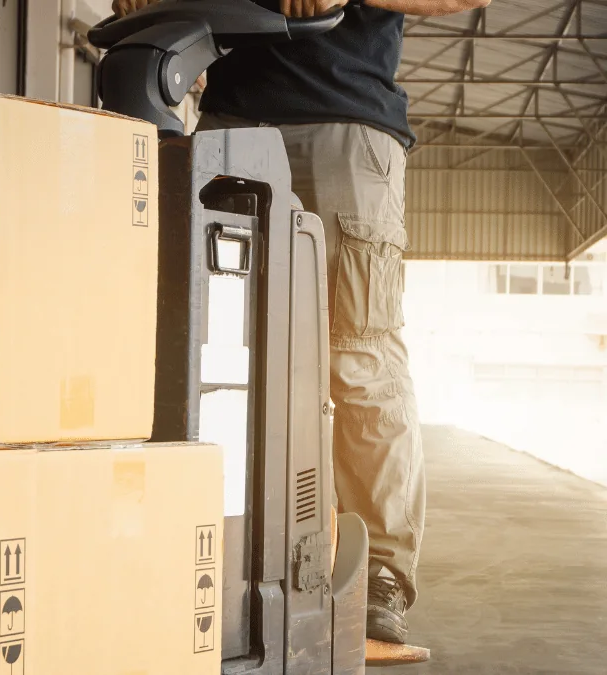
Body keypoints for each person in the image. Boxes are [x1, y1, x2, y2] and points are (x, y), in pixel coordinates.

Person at [113, 0, 490, 645]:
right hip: (231, 120)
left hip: (342, 122)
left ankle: (379, 575)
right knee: (211, 353)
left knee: (358, 357)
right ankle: (212, 549)